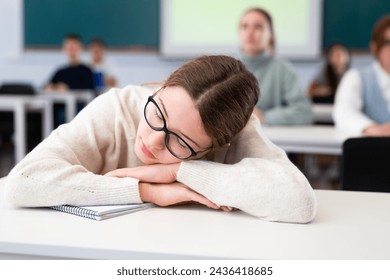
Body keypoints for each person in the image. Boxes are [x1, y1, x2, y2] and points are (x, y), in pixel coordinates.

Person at [5, 55, 316, 224]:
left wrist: (178, 171)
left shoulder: (237, 130)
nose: (152, 141)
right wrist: (147, 190)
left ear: (216, 145)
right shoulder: (118, 106)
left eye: (179, 142)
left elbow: (298, 202)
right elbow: (22, 180)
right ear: (161, 87)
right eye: (158, 111)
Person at [239, 7, 313, 125]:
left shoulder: (282, 68)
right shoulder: (227, 68)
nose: (250, 32)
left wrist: (263, 117)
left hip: (270, 137)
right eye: (244, 26)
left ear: (271, 35)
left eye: (258, 27)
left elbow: (304, 112)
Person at [333, 15, 390, 136]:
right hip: (375, 150)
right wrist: (373, 128)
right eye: (388, 43)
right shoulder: (356, 78)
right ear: (375, 47)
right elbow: (344, 112)